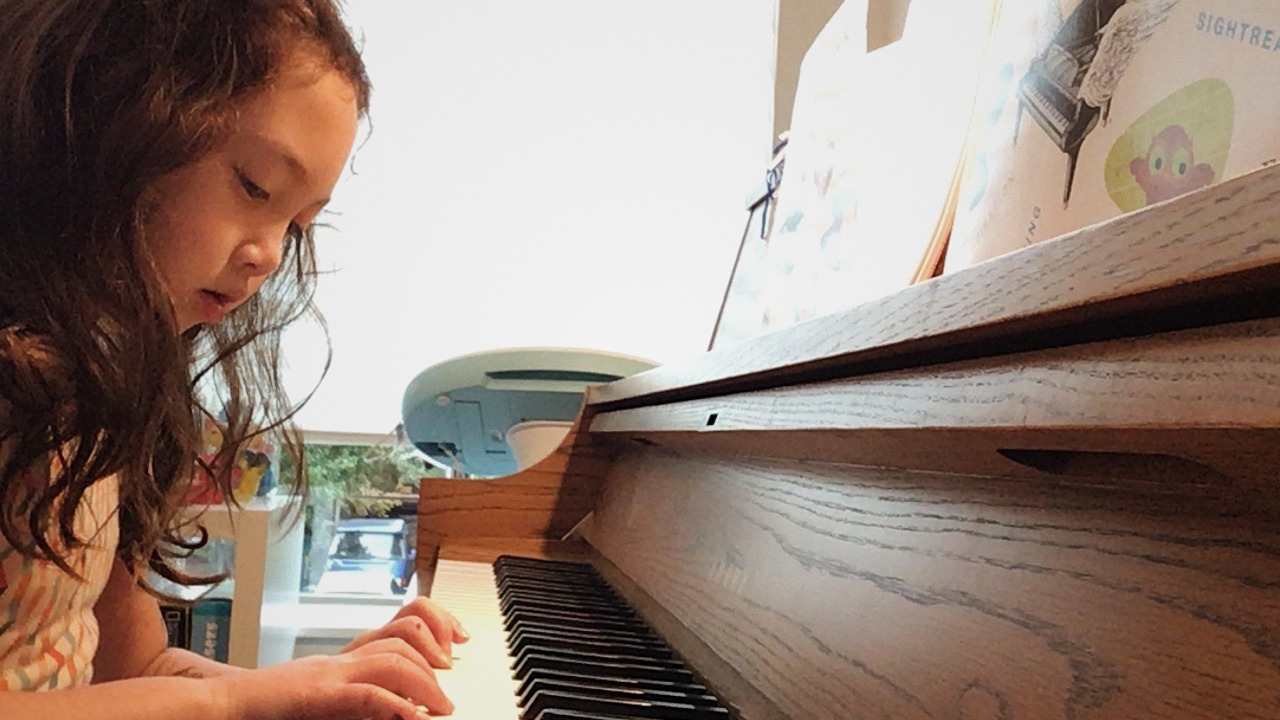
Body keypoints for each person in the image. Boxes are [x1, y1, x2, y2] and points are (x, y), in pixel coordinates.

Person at [0, 1, 467, 718]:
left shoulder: (96, 391)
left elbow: (138, 666)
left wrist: (324, 685)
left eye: (299, 225)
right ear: (111, 115)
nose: (272, 255)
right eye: (254, 187)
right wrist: (239, 703)